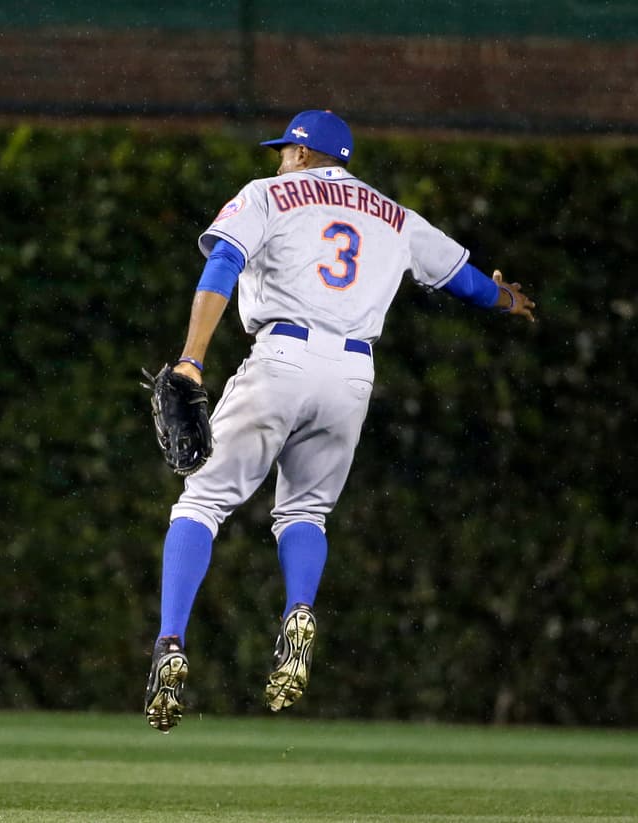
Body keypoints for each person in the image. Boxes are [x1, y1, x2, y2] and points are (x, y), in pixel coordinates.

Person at [143, 110, 535, 733]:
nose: (278, 159)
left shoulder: (267, 194)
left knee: (203, 502)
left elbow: (221, 265)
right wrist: (507, 299)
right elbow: (461, 279)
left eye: (284, 151)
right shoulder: (394, 214)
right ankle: (299, 608)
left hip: (282, 356)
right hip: (353, 374)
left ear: (301, 155)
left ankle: (170, 642)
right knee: (304, 512)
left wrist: (192, 359)